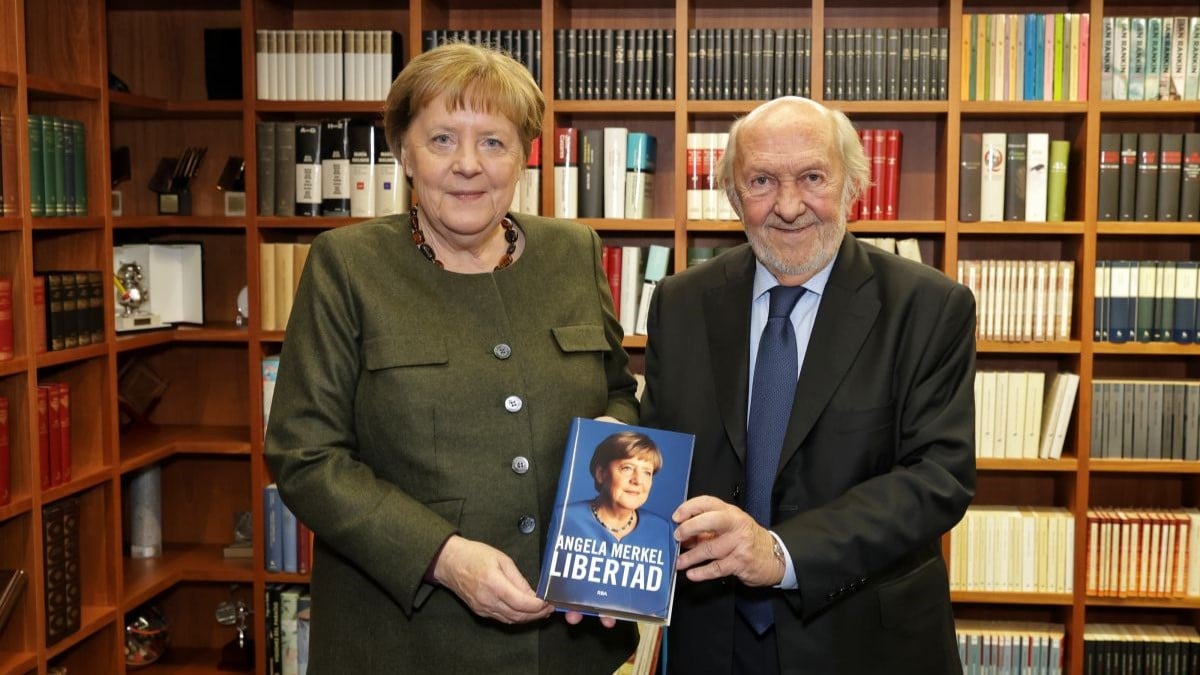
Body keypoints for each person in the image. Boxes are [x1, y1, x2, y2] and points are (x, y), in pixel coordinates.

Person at [263, 42, 639, 674]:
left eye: (493, 142)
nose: (469, 165)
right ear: (404, 152)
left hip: (569, 642)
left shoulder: (574, 251)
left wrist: (614, 443)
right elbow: (306, 458)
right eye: (442, 139)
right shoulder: (347, 265)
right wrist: (442, 556)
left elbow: (617, 392)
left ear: (525, 156)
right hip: (407, 642)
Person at [641, 96, 976, 674]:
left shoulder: (928, 306)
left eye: (813, 177)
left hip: (864, 642)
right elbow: (657, 455)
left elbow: (938, 477)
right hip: (711, 639)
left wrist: (779, 553)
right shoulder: (680, 302)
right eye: (762, 181)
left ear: (852, 186)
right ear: (732, 196)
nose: (789, 206)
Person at [544, 431, 675, 614]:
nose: (637, 480)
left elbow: (662, 608)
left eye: (647, 472)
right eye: (627, 468)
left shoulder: (663, 530)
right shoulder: (564, 519)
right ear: (601, 474)